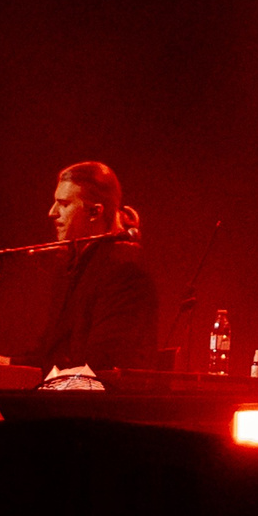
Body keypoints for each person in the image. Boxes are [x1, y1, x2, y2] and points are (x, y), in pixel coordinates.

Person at [23, 161, 158, 376]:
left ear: (95, 212)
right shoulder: (72, 268)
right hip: (66, 393)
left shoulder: (124, 270)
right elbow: (50, 353)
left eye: (64, 204)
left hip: (94, 405)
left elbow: (104, 363)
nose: (52, 213)